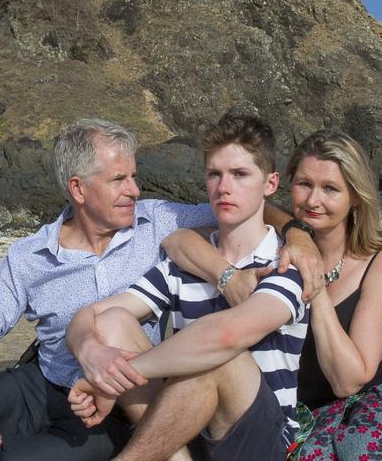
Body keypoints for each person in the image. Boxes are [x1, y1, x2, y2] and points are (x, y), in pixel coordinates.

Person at [161, 129, 382, 460]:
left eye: (330, 189)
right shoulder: (270, 243)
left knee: (364, 449)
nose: (313, 200)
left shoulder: (379, 260)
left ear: (355, 196)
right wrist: (230, 276)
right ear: (286, 184)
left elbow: (349, 380)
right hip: (314, 409)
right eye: (304, 184)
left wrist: (315, 281)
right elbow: (177, 241)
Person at [65, 113, 309, 461]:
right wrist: (92, 354)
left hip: (263, 440)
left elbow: (224, 338)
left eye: (240, 174)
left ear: (270, 184)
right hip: (191, 426)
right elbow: (90, 316)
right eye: (214, 174)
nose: (224, 187)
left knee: (217, 358)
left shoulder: (287, 261)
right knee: (111, 322)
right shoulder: (185, 264)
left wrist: (119, 375)